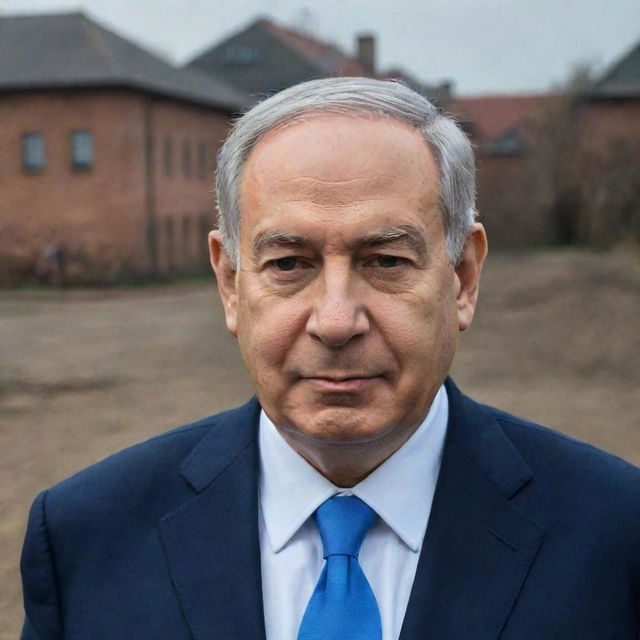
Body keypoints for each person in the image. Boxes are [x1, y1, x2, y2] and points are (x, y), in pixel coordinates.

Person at [20, 78, 640, 640]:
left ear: (464, 277)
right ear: (231, 284)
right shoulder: (84, 537)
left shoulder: (616, 536)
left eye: (386, 261)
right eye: (289, 264)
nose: (337, 321)